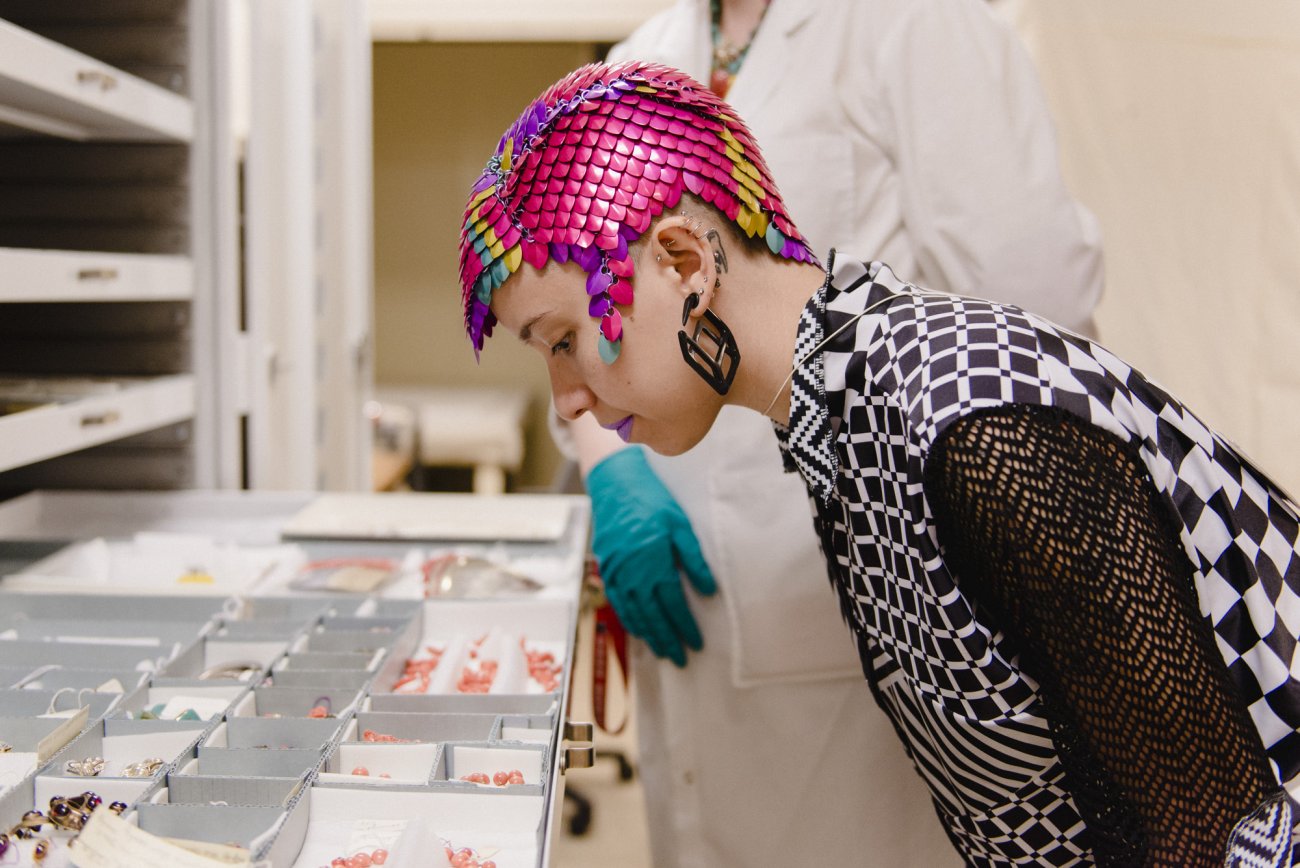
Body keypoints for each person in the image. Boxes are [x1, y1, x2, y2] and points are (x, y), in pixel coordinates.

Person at [459, 62, 1300, 866]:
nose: (566, 399)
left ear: (682, 264)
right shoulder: (844, 425)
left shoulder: (969, 433)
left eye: (564, 341)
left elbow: (1212, 827)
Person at [561, 0, 1102, 864]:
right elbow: (577, 322)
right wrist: (605, 467)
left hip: (859, 605)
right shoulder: (643, 55)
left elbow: (1033, 313)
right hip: (684, 607)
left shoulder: (917, 26)